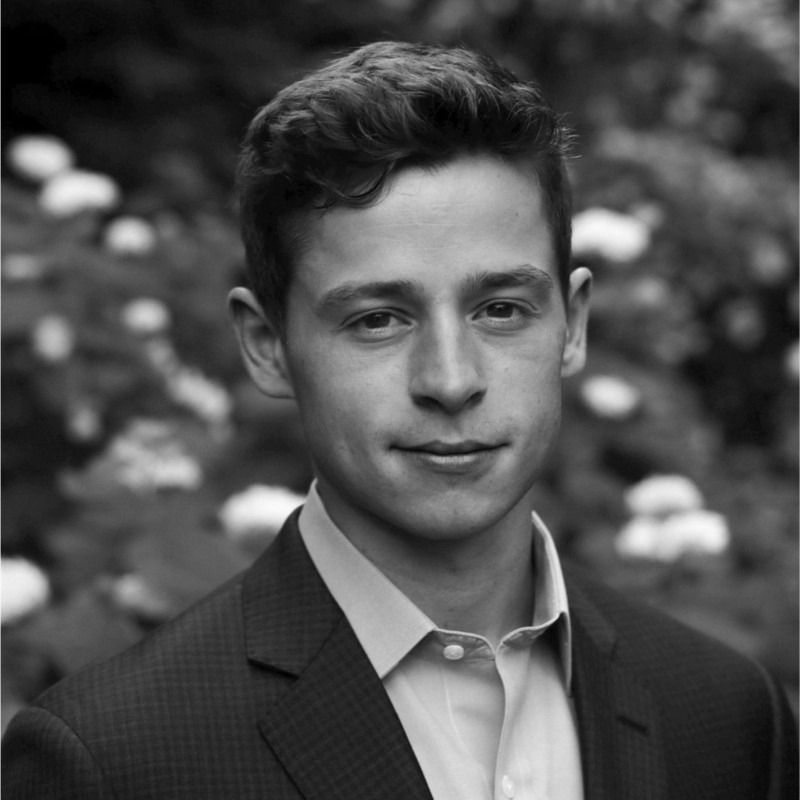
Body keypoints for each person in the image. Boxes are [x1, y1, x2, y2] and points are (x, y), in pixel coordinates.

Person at [2, 40, 796, 800]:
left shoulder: (724, 717)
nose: (451, 380)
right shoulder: (114, 762)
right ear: (267, 346)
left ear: (575, 324)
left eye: (501, 309)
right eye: (379, 319)